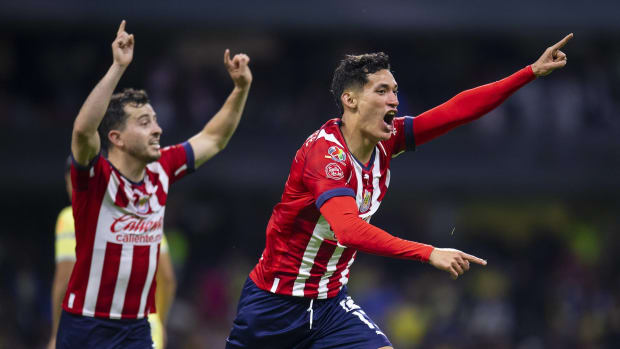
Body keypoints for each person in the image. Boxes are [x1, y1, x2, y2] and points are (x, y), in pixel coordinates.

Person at [226, 34, 572, 348]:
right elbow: (347, 230)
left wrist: (529, 72)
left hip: (330, 304)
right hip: (274, 306)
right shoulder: (326, 155)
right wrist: (428, 252)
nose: (394, 100)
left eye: (394, 90)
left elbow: (456, 111)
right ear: (350, 100)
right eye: (381, 91)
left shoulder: (386, 143)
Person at [57, 20, 252, 348]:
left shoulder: (162, 167)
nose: (157, 130)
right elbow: (82, 130)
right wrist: (118, 68)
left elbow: (214, 138)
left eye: (156, 121)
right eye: (145, 123)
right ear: (116, 138)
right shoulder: (95, 177)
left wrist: (240, 89)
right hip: (86, 327)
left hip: (136, 329)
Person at [48, 158, 177, 349]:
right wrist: (159, 323)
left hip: (95, 329)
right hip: (146, 329)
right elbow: (167, 278)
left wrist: (56, 332)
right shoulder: (143, 214)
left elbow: (64, 279)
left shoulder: (70, 217)